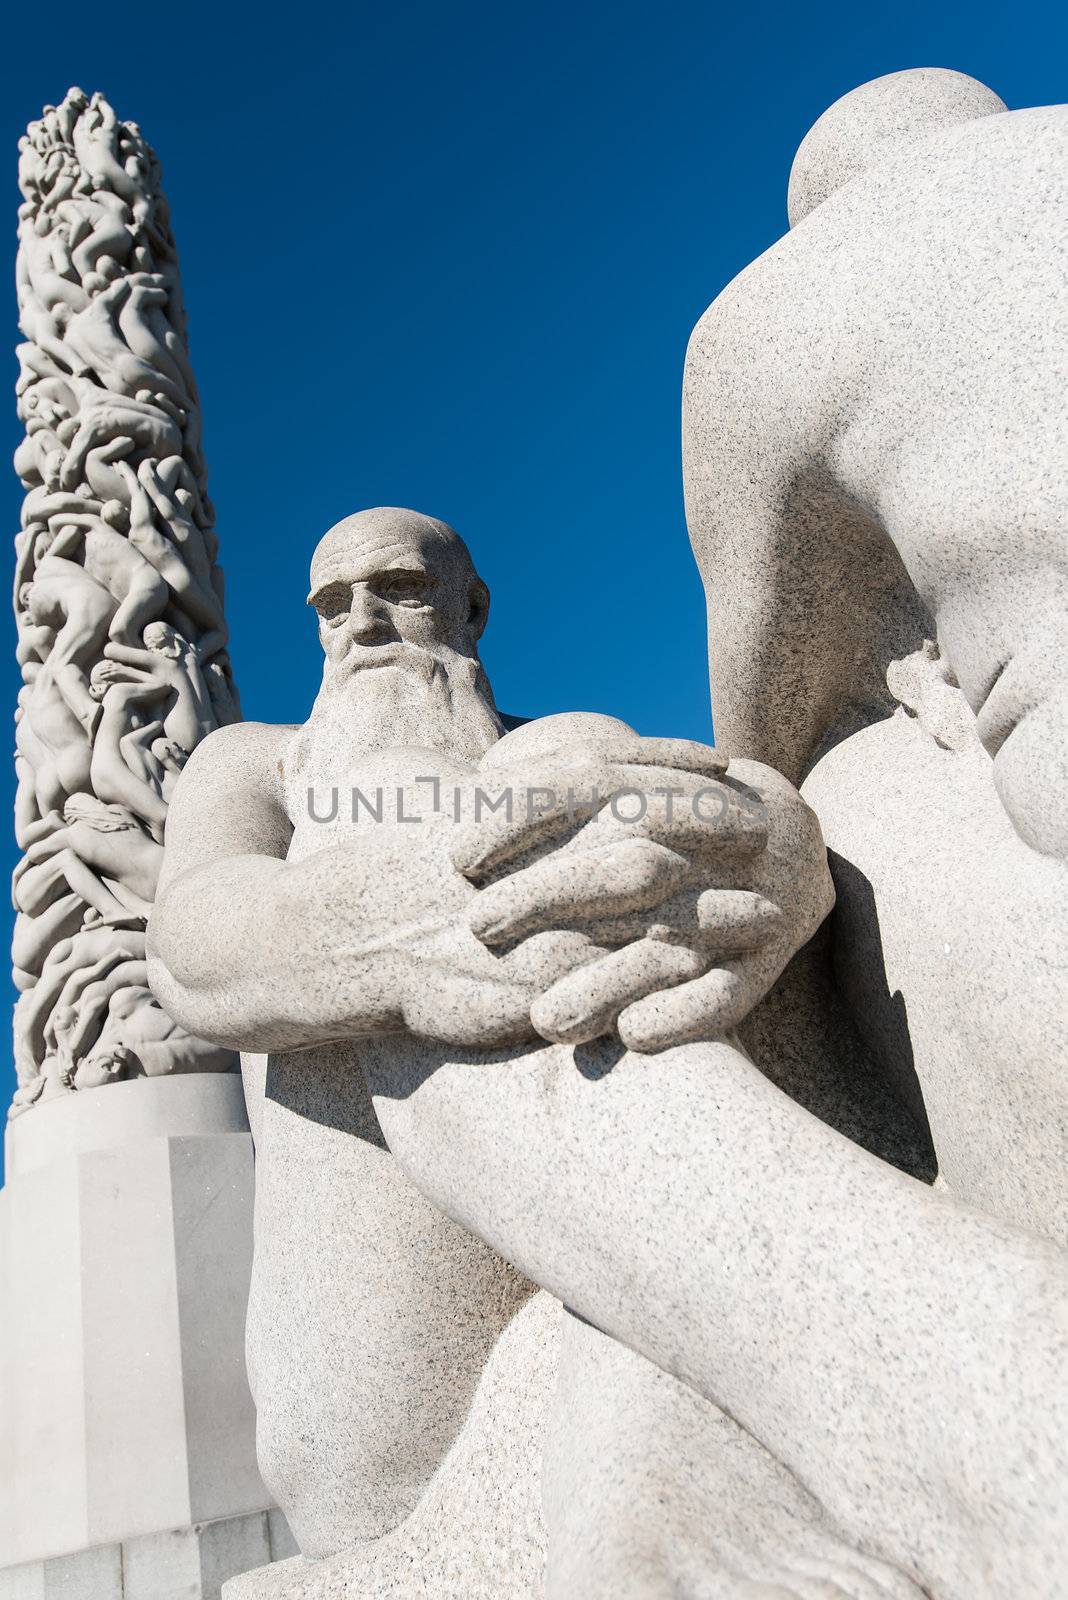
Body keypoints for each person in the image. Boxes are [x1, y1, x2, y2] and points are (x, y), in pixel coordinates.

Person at [150, 508, 1066, 1599]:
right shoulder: (257, 766)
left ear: (470, 607)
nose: (360, 625)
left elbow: (746, 802)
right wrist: (440, 923)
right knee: (420, 780)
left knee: (561, 762)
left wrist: (776, 853)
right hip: (387, 1413)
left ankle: (885, 1363)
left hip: (622, 1290)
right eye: (330, 605)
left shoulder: (564, 740)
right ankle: (950, 1366)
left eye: (394, 587)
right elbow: (200, 945)